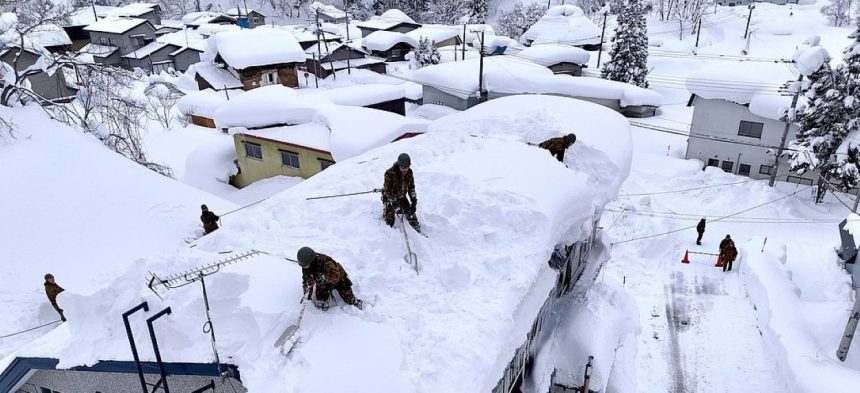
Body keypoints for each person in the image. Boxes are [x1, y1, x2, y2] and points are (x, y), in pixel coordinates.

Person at [297, 247, 362, 310]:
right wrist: (307, 292)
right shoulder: (306, 265)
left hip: (339, 279)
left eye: (305, 265)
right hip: (322, 282)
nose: (304, 267)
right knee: (321, 299)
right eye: (302, 265)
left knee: (349, 299)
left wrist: (323, 278)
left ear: (311, 260)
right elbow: (306, 279)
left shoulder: (326, 261)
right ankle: (323, 304)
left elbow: (336, 275)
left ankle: (355, 302)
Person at [382, 153, 421, 232]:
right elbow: (387, 190)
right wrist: (394, 202)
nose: (404, 169)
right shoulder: (389, 173)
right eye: (402, 167)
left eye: (406, 167)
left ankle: (417, 229)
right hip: (389, 197)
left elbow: (411, 188)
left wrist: (414, 201)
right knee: (389, 219)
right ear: (399, 165)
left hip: (401, 197)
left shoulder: (409, 173)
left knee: (410, 212)